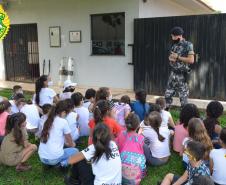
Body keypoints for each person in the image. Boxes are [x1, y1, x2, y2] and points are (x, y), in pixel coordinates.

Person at [38, 100, 78, 167]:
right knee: (76, 151)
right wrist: (72, 144)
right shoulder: (63, 121)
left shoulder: (45, 118)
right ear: (63, 112)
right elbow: (70, 142)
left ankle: (50, 163)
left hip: (42, 157)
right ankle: (62, 164)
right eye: (67, 114)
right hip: (53, 158)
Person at [164, 26, 195, 109]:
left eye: (173, 36)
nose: (172, 38)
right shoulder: (174, 45)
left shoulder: (188, 45)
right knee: (167, 95)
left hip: (182, 75)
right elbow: (172, 57)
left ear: (179, 36)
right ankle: (166, 116)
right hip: (173, 74)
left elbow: (191, 60)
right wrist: (171, 58)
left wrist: (178, 57)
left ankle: (185, 119)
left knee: (183, 99)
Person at [116, 113, 146, 184]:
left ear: (126, 124)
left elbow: (118, 149)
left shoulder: (120, 134)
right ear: (138, 125)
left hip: (120, 176)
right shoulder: (141, 138)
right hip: (135, 179)